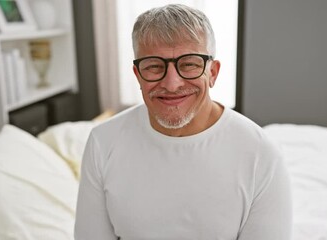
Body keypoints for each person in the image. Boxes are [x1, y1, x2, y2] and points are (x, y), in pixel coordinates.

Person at [75, 4, 292, 240]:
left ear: (213, 73)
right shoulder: (103, 142)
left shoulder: (261, 154)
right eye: (154, 66)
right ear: (138, 76)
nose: (171, 84)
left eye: (189, 64)